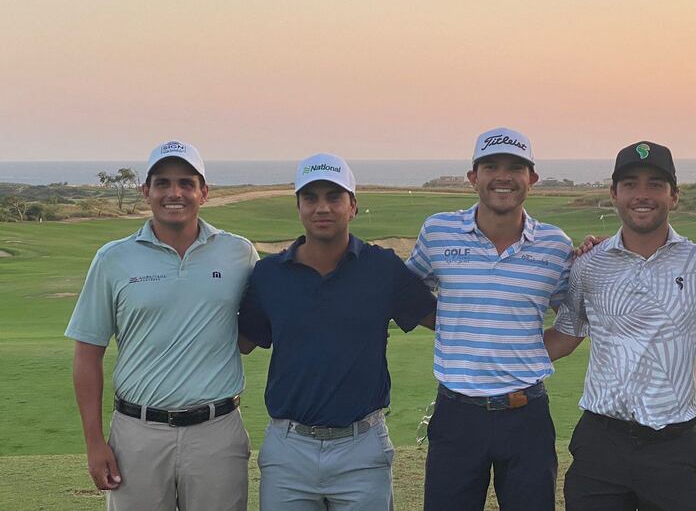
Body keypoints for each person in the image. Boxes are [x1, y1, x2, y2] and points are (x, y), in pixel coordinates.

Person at [544, 141, 696, 510]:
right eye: (630, 184)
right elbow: (567, 335)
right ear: (614, 195)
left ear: (674, 196)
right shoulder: (588, 265)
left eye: (655, 184)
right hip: (601, 442)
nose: (642, 194)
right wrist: (491, 355)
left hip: (673, 447)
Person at [65, 140, 258, 511]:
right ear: (146, 191)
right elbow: (87, 353)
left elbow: (251, 333)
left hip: (217, 432)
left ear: (204, 192)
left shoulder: (239, 253)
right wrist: (93, 441)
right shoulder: (112, 259)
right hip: (137, 433)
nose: (175, 193)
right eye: (163, 183)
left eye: (186, 183)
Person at [237, 152, 437, 510]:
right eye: (311, 198)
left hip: (361, 447)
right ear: (298, 207)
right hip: (288, 448)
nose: (322, 207)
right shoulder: (269, 275)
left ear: (353, 206)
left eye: (334, 197)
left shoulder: (382, 268)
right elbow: (241, 342)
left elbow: (443, 320)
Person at [406, 127, 574, 511]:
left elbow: (573, 320)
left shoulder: (555, 244)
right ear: (473, 178)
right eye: (491, 166)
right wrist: (454, 322)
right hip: (456, 416)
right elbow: (408, 293)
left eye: (515, 167)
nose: (503, 176)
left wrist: (528, 353)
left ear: (531, 178)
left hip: (526, 416)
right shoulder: (438, 232)